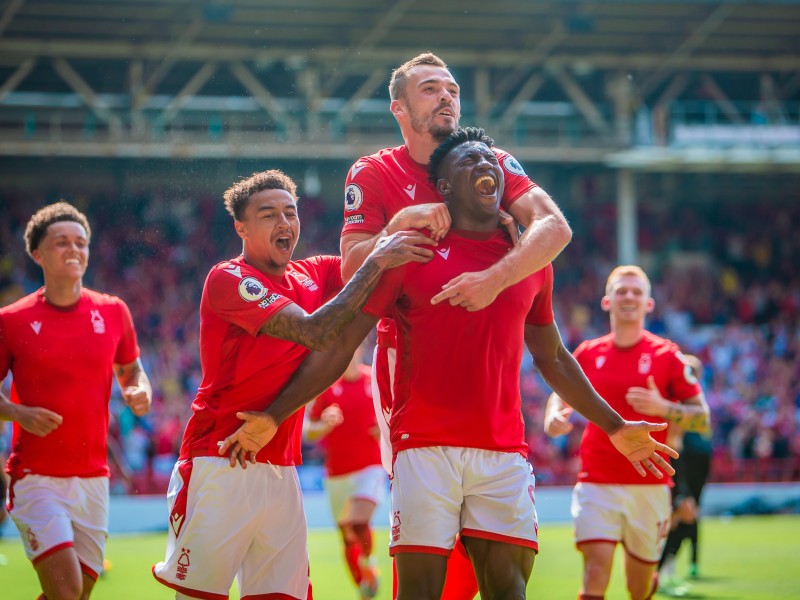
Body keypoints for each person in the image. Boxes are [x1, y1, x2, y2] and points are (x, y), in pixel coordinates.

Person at [219, 129, 678, 600]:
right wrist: (277, 415)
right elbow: (340, 348)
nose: (486, 164)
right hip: (424, 449)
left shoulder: (531, 261)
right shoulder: (409, 253)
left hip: (504, 453)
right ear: (442, 188)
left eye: (490, 158)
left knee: (509, 591)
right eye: (470, 160)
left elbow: (553, 357)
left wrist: (616, 426)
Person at [339, 51, 572, 599]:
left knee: (489, 566)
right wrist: (399, 223)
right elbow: (350, 270)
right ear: (399, 107)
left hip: (488, 368)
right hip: (411, 374)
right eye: (429, 89)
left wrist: (497, 276)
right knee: (426, 562)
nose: (446, 96)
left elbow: (554, 228)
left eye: (452, 89)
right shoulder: (375, 173)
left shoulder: (490, 158)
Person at [151, 170, 432, 600]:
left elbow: (375, 265)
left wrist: (411, 221)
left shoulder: (314, 273)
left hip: (281, 467)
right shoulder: (229, 278)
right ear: (240, 227)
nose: (285, 223)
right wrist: (379, 258)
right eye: (268, 214)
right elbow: (318, 330)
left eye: (291, 212)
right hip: (221, 459)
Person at [0, 201, 153, 600]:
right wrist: (16, 412)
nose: (74, 250)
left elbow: (132, 370)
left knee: (73, 596)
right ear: (37, 253)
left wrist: (139, 390)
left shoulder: (113, 311)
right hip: (35, 478)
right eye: (61, 242)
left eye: (81, 242)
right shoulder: (11, 320)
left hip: (93, 480)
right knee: (67, 593)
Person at [544, 266, 711, 600]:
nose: (629, 297)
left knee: (638, 586)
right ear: (607, 301)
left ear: (649, 304)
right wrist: (553, 415)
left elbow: (703, 420)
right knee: (594, 575)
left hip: (649, 485)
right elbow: (558, 391)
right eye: (622, 291)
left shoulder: (668, 356)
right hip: (596, 480)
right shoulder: (589, 353)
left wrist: (663, 407)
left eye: (637, 292)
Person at [303, 341, 385, 599]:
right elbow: (309, 431)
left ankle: (369, 563)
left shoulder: (374, 380)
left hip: (370, 468)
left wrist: (384, 428)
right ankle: (363, 583)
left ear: (360, 349)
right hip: (337, 474)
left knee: (359, 521)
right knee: (347, 536)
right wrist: (324, 425)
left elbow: (395, 414)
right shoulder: (327, 388)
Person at [658, 355, 713, 596]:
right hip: (677, 464)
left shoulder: (690, 401)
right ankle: (659, 572)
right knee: (679, 516)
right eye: (691, 370)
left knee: (683, 516)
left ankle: (663, 571)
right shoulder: (678, 401)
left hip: (686, 465)